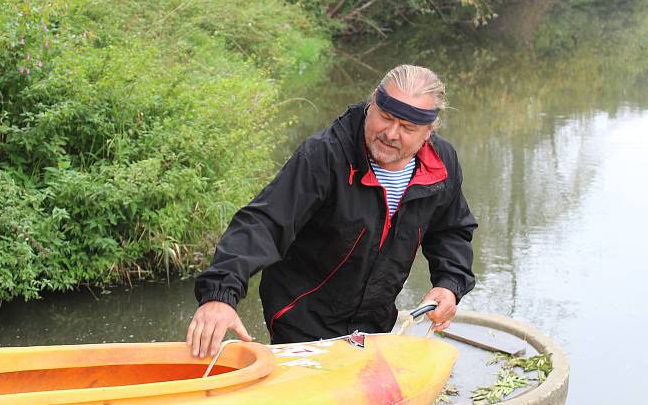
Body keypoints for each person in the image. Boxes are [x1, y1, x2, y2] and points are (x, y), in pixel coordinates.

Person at [187, 64, 477, 358]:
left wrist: (449, 284)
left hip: (373, 322)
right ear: (370, 105)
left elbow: (450, 229)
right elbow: (263, 223)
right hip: (302, 317)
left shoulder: (441, 166)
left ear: (428, 132)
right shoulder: (324, 155)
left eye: (407, 128)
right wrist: (220, 295)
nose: (390, 133)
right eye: (385, 117)